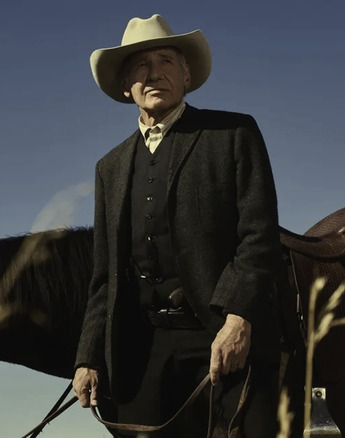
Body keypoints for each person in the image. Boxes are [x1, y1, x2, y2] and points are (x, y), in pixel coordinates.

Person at [73, 14, 287, 438]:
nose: (154, 73)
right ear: (125, 84)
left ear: (186, 75)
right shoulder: (109, 168)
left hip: (220, 335)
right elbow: (105, 277)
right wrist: (88, 356)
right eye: (140, 65)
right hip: (143, 346)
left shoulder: (232, 134)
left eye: (166, 61)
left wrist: (238, 318)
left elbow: (259, 236)